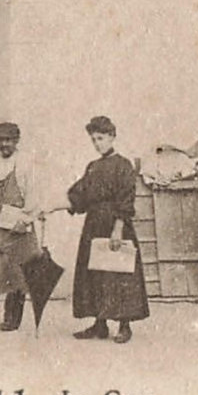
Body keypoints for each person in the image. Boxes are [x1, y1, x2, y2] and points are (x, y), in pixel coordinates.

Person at [63, 115, 149, 343]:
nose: (97, 143)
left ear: (112, 137)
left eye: (100, 138)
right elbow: (78, 197)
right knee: (95, 274)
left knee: (119, 273)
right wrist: (50, 207)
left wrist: (118, 230)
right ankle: (99, 324)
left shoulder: (123, 165)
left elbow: (126, 199)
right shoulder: (93, 167)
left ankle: (124, 325)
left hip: (115, 225)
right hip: (94, 225)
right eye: (93, 140)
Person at [0, 122, 40, 332]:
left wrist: (25, 220)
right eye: (1, 140)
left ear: (16, 141)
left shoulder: (25, 164)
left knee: (18, 274)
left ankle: (12, 319)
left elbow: (33, 196)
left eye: (8, 140)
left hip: (18, 226)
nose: (4, 144)